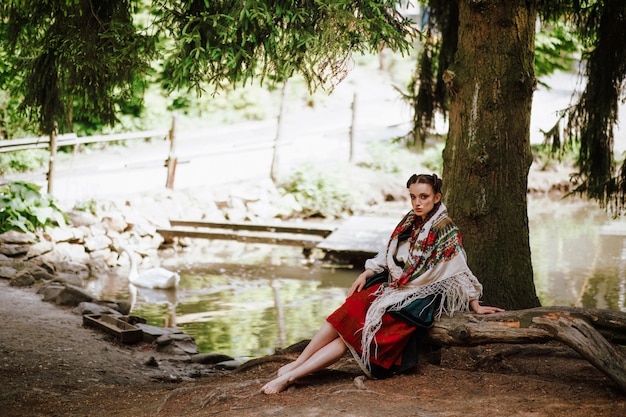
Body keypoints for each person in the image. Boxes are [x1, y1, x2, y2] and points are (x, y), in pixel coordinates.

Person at [261, 173, 504, 394]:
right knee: (347, 312)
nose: (417, 202)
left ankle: (291, 377)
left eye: (424, 197)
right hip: (397, 285)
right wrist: (368, 272)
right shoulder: (411, 220)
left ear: (436, 197)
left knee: (353, 336)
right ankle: (298, 362)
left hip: (418, 297)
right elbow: (390, 252)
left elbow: (460, 268)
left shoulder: (445, 229)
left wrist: (475, 304)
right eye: (413, 197)